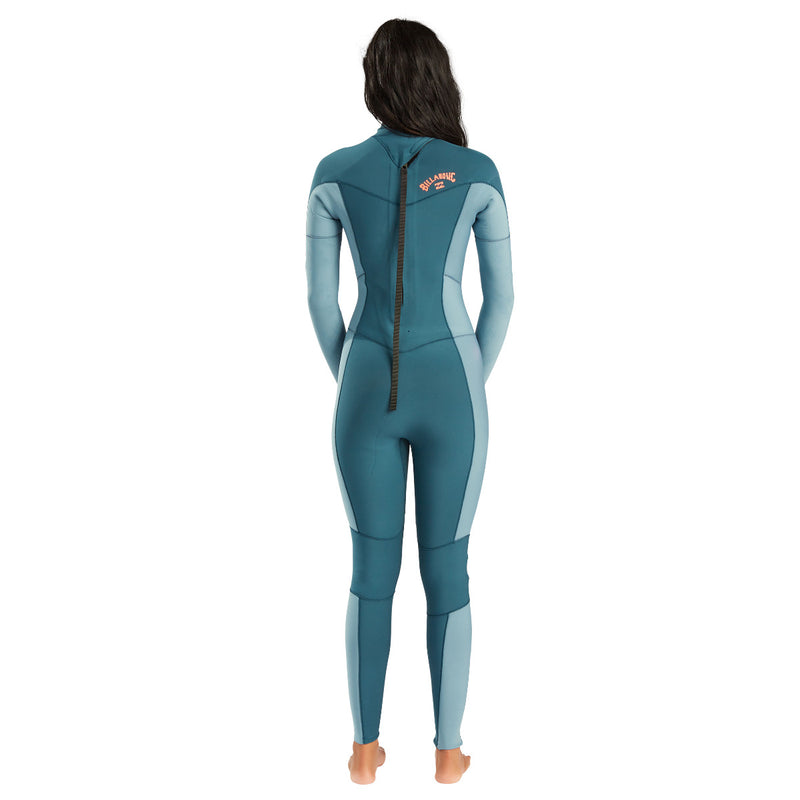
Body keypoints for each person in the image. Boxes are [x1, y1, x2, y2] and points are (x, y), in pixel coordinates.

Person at [305, 18, 514, 784]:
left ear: (375, 81)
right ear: (437, 77)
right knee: (448, 569)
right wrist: (467, 382)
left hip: (363, 386)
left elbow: (321, 304)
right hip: (454, 389)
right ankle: (448, 753)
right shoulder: (478, 172)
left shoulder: (333, 172)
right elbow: (501, 301)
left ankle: (364, 751)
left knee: (370, 569)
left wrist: (355, 380)